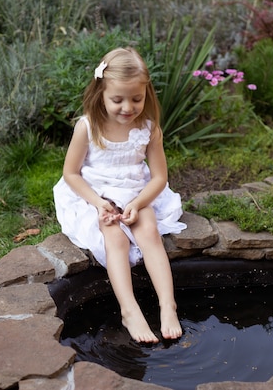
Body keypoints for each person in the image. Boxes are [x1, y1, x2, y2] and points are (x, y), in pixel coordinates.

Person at [53, 47, 186, 343]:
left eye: (136, 99)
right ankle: (130, 310)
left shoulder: (150, 129)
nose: (128, 107)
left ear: (146, 94)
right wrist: (99, 203)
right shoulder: (87, 127)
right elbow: (71, 173)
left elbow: (160, 177)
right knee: (115, 237)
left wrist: (138, 204)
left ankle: (168, 305)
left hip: (135, 192)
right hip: (95, 193)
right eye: (118, 99)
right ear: (101, 92)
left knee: (148, 232)